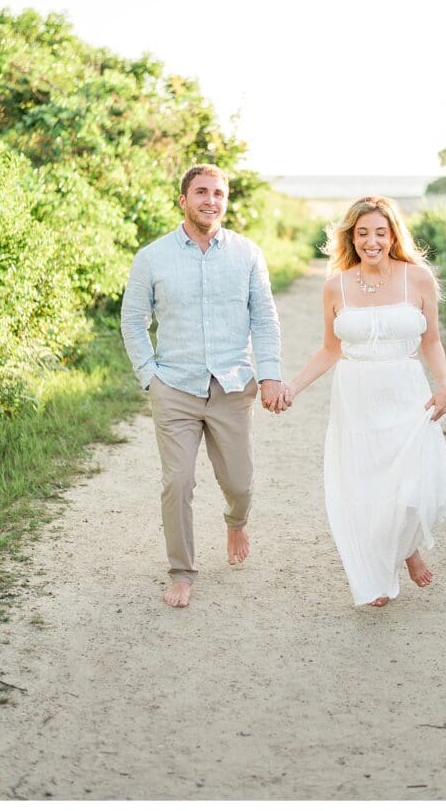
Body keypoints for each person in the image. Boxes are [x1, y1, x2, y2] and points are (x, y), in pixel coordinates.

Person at [271, 196, 446, 607]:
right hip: (356, 397)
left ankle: (406, 547)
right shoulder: (335, 286)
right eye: (362, 233)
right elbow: (329, 349)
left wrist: (443, 383)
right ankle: (375, 575)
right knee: (364, 486)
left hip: (406, 393)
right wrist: (293, 387)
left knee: (411, 482)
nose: (371, 241)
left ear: (393, 235)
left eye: (379, 232)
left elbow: (431, 341)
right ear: (350, 237)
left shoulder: (418, 278)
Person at [121, 164, 285, 608]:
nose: (210, 200)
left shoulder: (247, 254)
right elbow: (133, 321)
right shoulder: (151, 257)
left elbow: (265, 319)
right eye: (201, 192)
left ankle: (236, 521)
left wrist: (269, 374)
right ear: (183, 200)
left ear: (225, 201)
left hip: (232, 386)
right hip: (174, 385)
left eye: (218, 193)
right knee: (177, 480)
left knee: (240, 483)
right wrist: (148, 376)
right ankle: (181, 571)